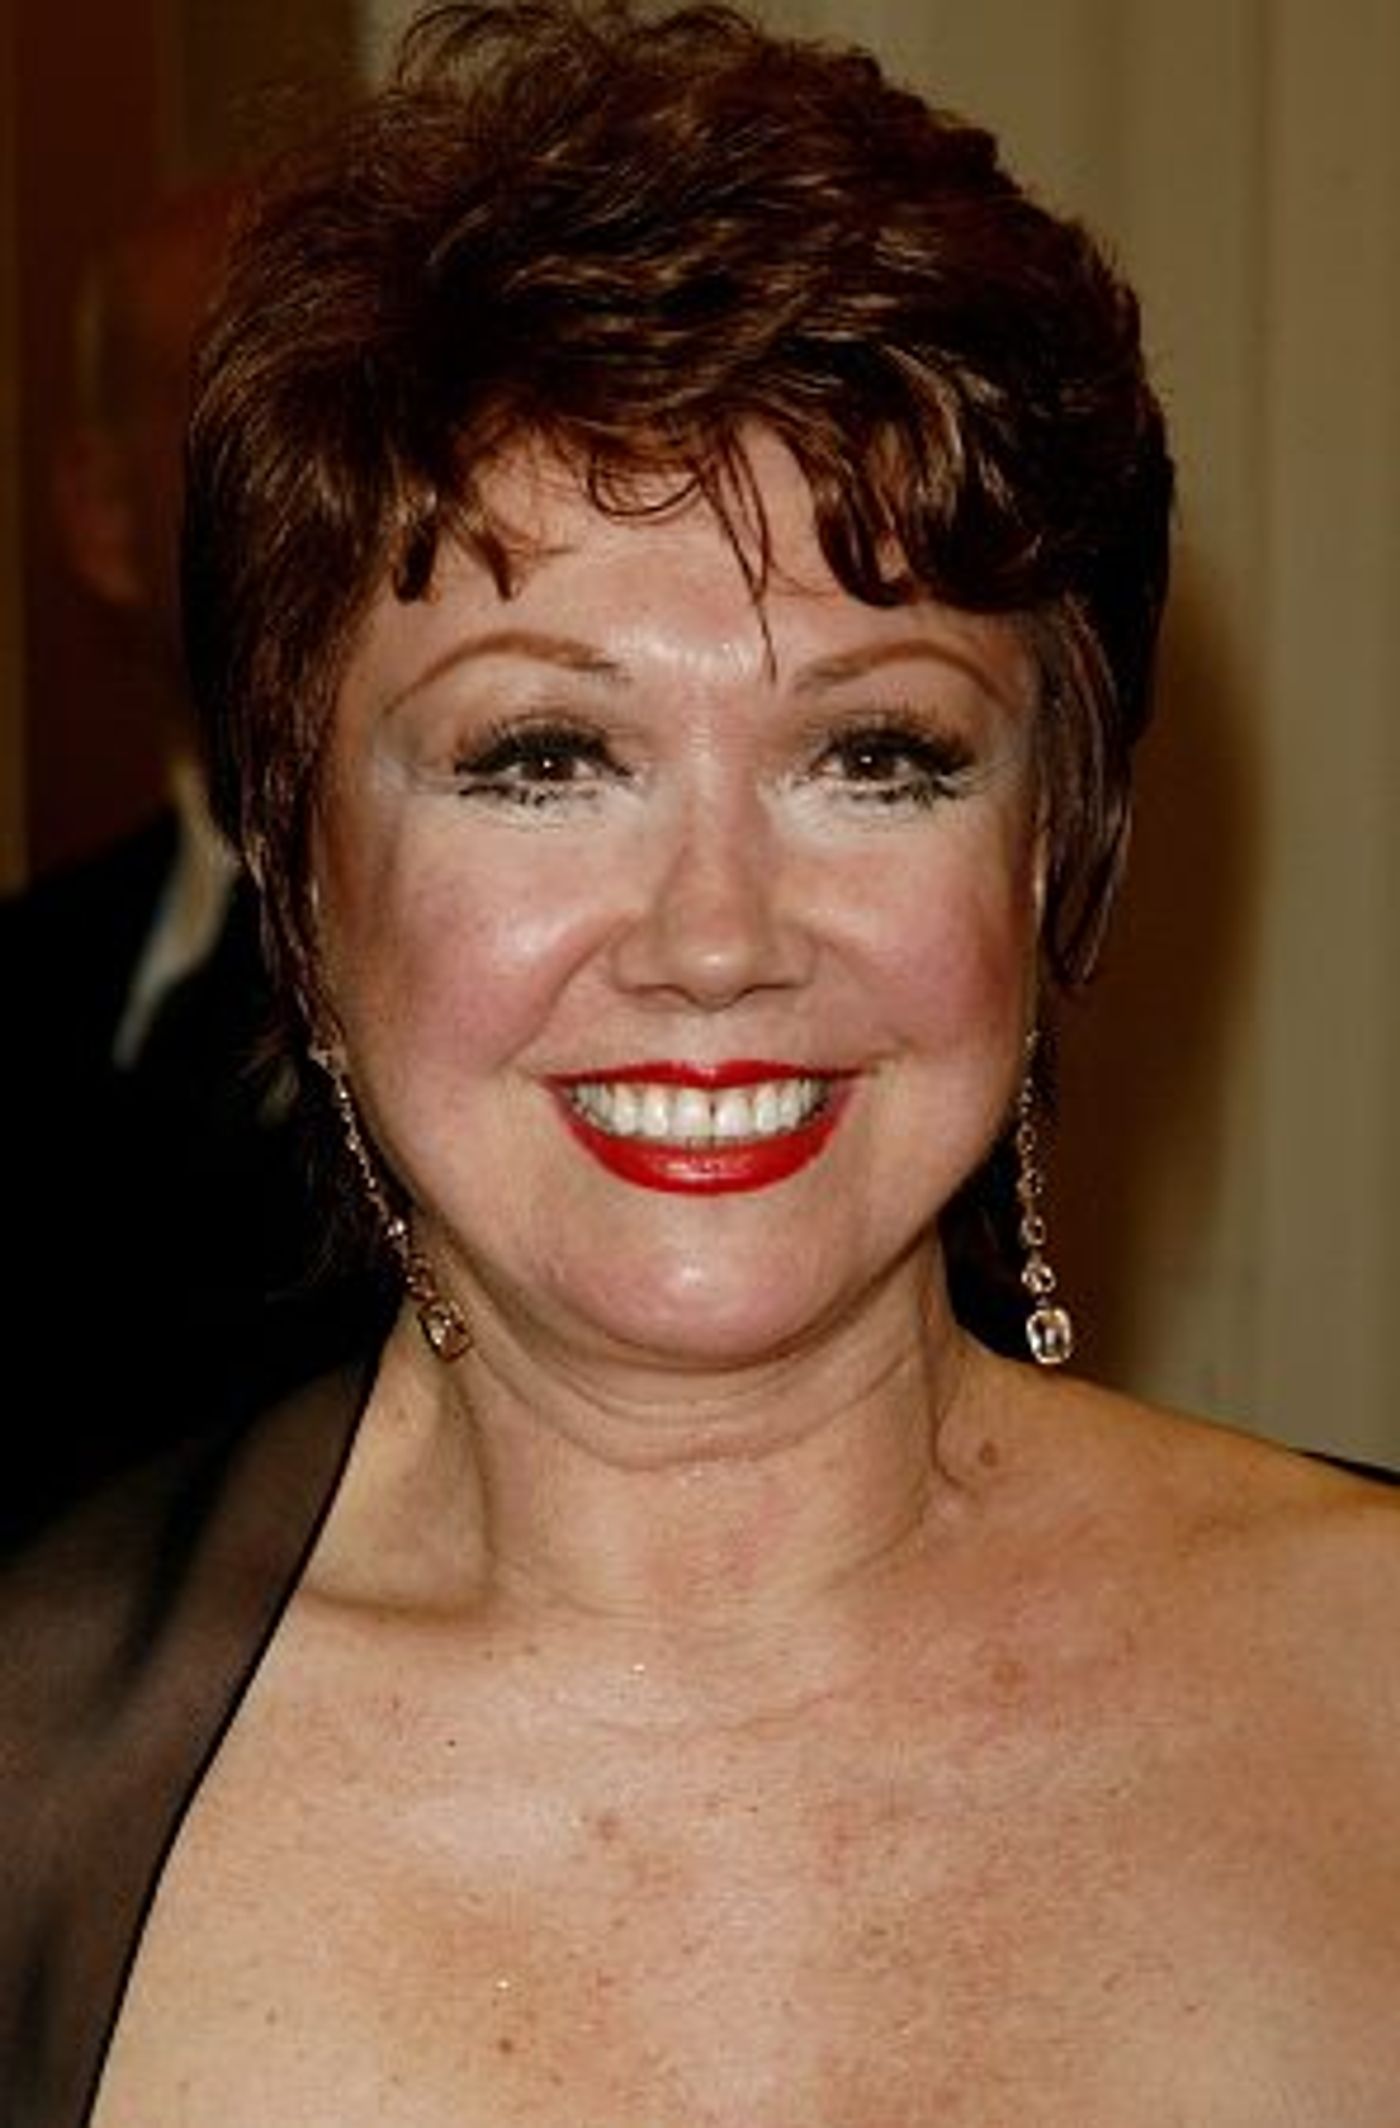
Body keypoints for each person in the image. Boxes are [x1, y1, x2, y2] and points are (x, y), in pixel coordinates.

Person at [3, 4, 1397, 2120]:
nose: (718, 939)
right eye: (543, 757)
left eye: (877, 754)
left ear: (1055, 850)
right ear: (305, 867)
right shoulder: (30, 1791)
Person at [0, 179, 393, 1539]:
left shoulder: (566, 963)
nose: (345, 477)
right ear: (102, 515)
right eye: (251, 409)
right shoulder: (29, 975)